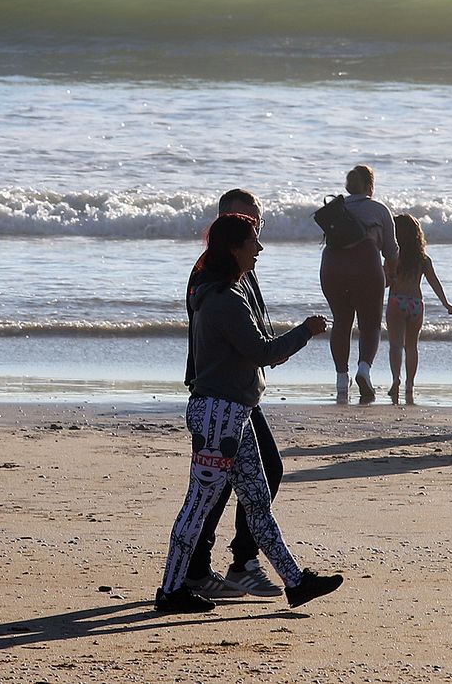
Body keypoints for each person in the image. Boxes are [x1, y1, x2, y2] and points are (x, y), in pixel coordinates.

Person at [156, 213, 343, 613]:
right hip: (219, 414)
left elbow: (253, 352)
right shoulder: (224, 298)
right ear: (234, 248)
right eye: (253, 241)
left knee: (256, 502)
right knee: (198, 505)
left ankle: (295, 582)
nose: (259, 248)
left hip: (231, 412)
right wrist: (305, 331)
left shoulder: (219, 293)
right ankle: (170, 591)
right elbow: (262, 351)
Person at [181, 189, 285, 599]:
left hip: (237, 390)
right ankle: (222, 565)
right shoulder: (210, 275)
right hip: (220, 394)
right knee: (222, 483)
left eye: (258, 224)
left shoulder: (240, 267)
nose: (256, 236)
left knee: (241, 478)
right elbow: (223, 337)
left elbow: (251, 330)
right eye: (248, 225)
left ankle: (231, 563)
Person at [320, 164, 397, 403]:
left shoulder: (335, 209)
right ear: (369, 185)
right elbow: (392, 252)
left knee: (341, 322)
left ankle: (341, 379)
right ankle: (364, 369)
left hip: (331, 267)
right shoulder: (379, 209)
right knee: (370, 324)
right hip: (366, 265)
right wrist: (389, 275)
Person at [385, 213, 452, 402]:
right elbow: (434, 283)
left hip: (397, 301)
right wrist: (445, 303)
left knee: (395, 345)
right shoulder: (423, 259)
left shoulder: (394, 257)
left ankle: (396, 379)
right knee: (412, 346)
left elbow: (385, 282)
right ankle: (410, 383)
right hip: (416, 304)